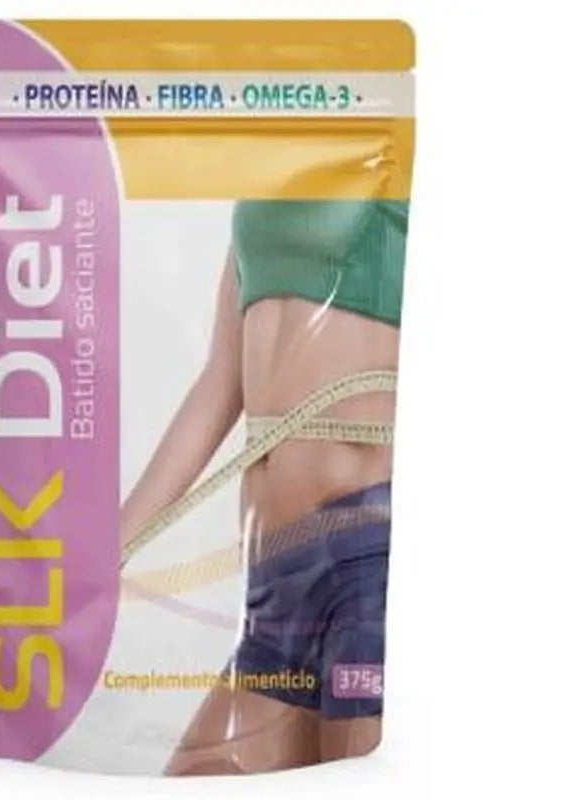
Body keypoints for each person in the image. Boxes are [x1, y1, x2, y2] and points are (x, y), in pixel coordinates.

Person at [120, 199, 409, 775]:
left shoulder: (396, 160)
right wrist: (114, 543)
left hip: (367, 565)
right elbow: (221, 381)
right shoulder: (262, 180)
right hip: (274, 581)